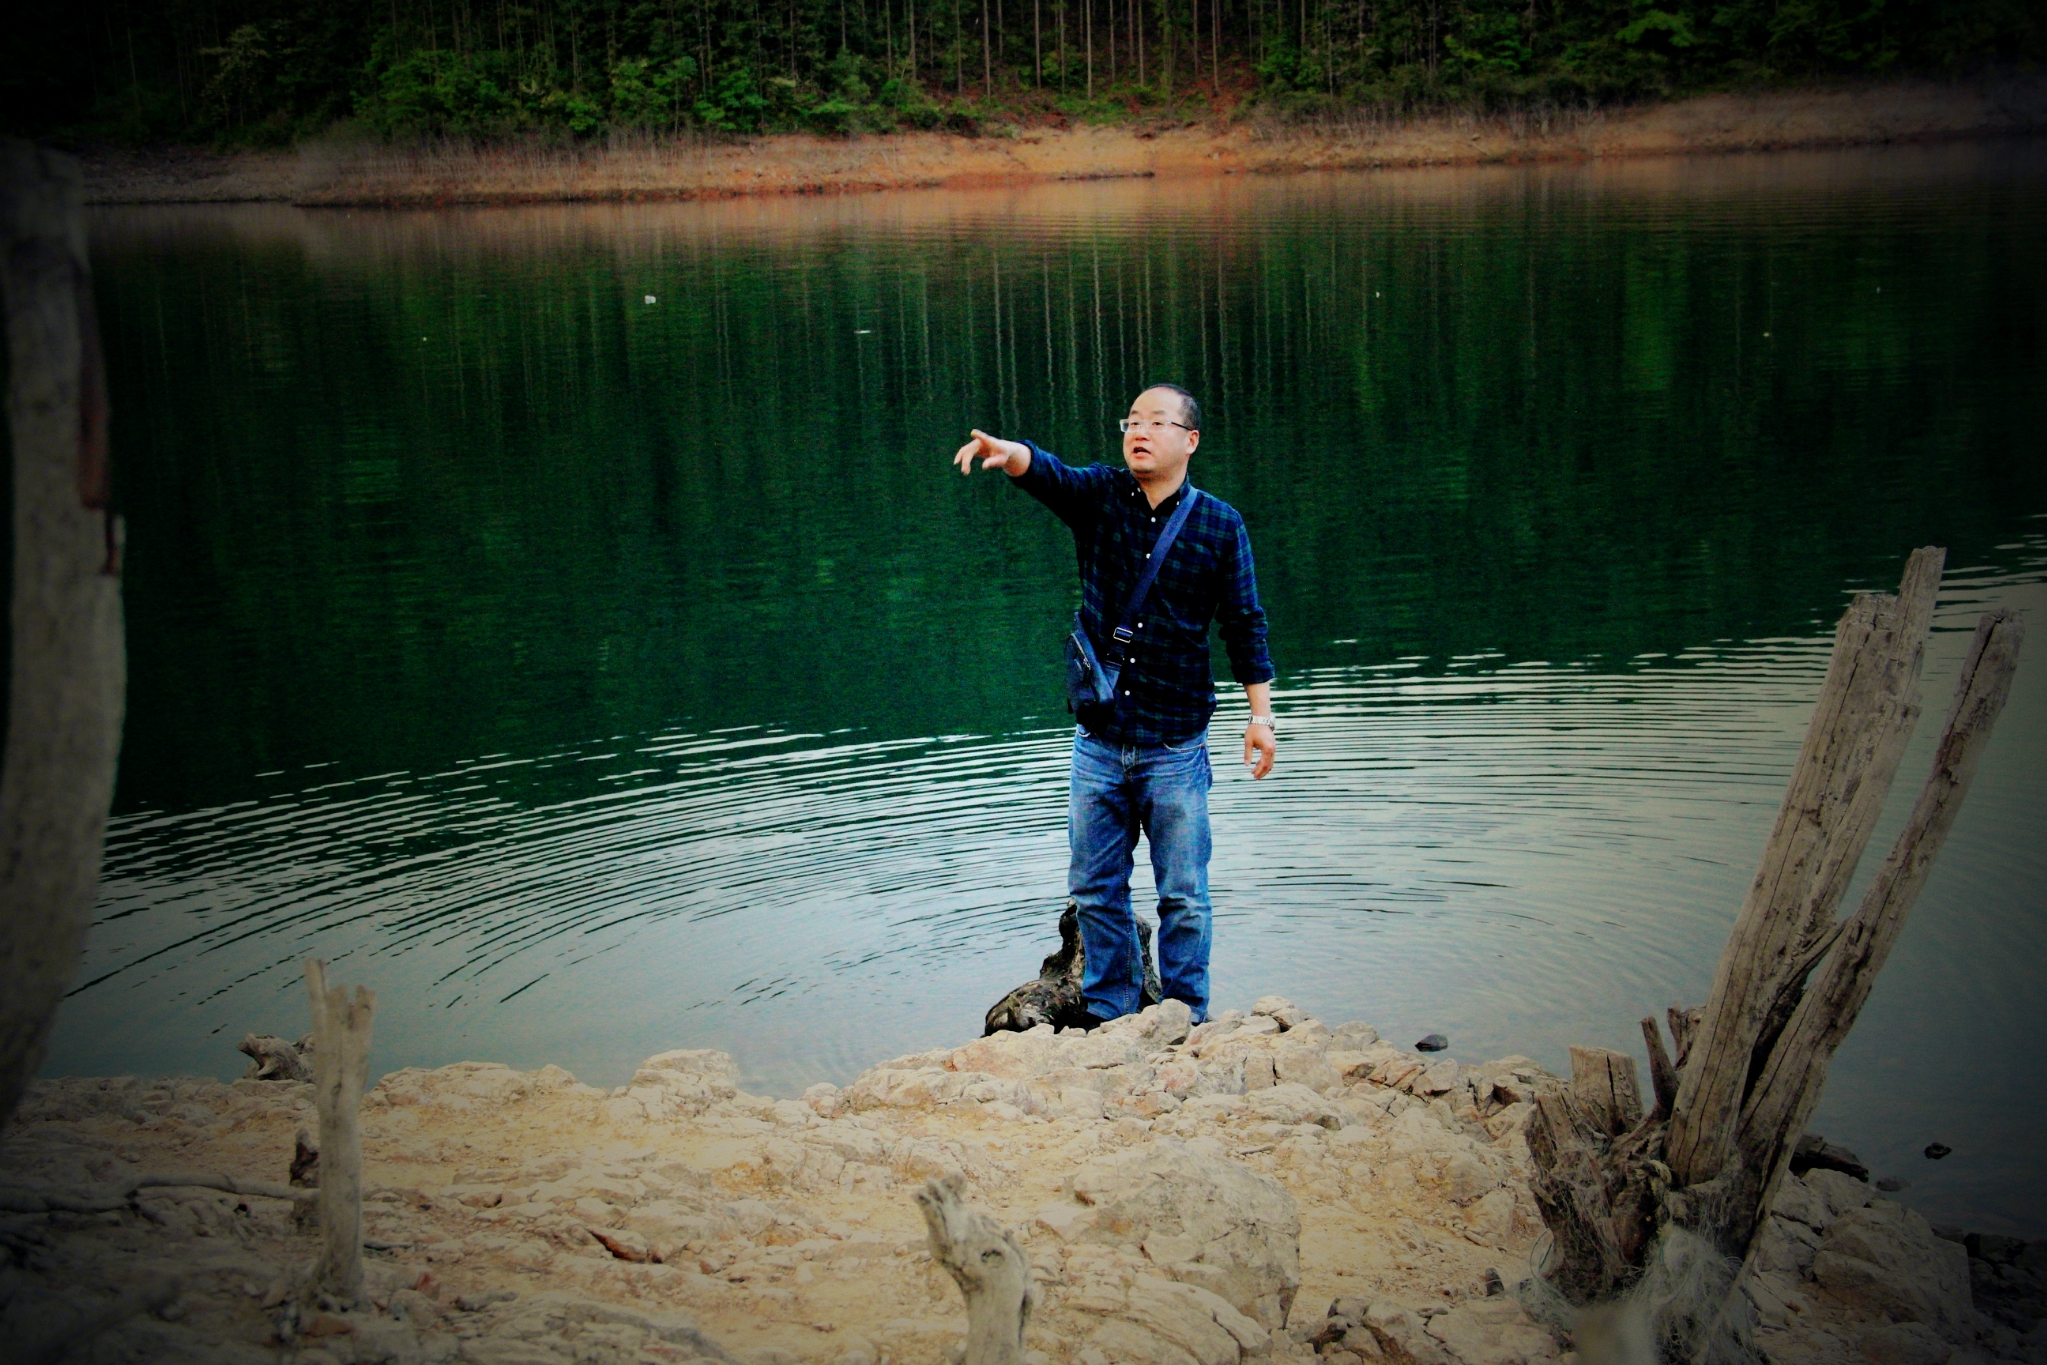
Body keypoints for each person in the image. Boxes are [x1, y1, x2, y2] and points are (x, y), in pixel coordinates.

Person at [951, 384, 1275, 1027]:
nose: (1139, 432)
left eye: (1156, 422)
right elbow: (1050, 475)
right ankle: (1110, 1010)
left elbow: (1245, 624)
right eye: (1132, 421)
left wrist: (1259, 717)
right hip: (1098, 743)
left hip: (1175, 745)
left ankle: (1186, 1017)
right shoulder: (1101, 497)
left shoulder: (1220, 525)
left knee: (1184, 895)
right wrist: (1011, 453)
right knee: (1095, 890)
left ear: (1190, 440)